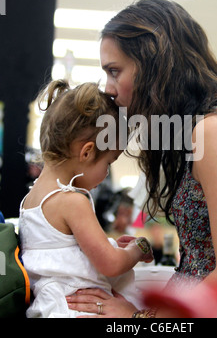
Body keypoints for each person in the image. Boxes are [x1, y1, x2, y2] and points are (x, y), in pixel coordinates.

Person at [66, 0, 217, 318]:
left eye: (115, 71)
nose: (108, 87)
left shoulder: (215, 131)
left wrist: (140, 320)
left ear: (152, 65)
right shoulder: (196, 130)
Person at [18, 80, 153, 318]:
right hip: (77, 309)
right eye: (108, 163)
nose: (107, 173)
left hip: (51, 307)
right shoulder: (72, 200)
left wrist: (109, 245)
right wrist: (137, 248)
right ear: (87, 152)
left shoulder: (31, 200)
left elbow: (64, 256)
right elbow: (110, 265)